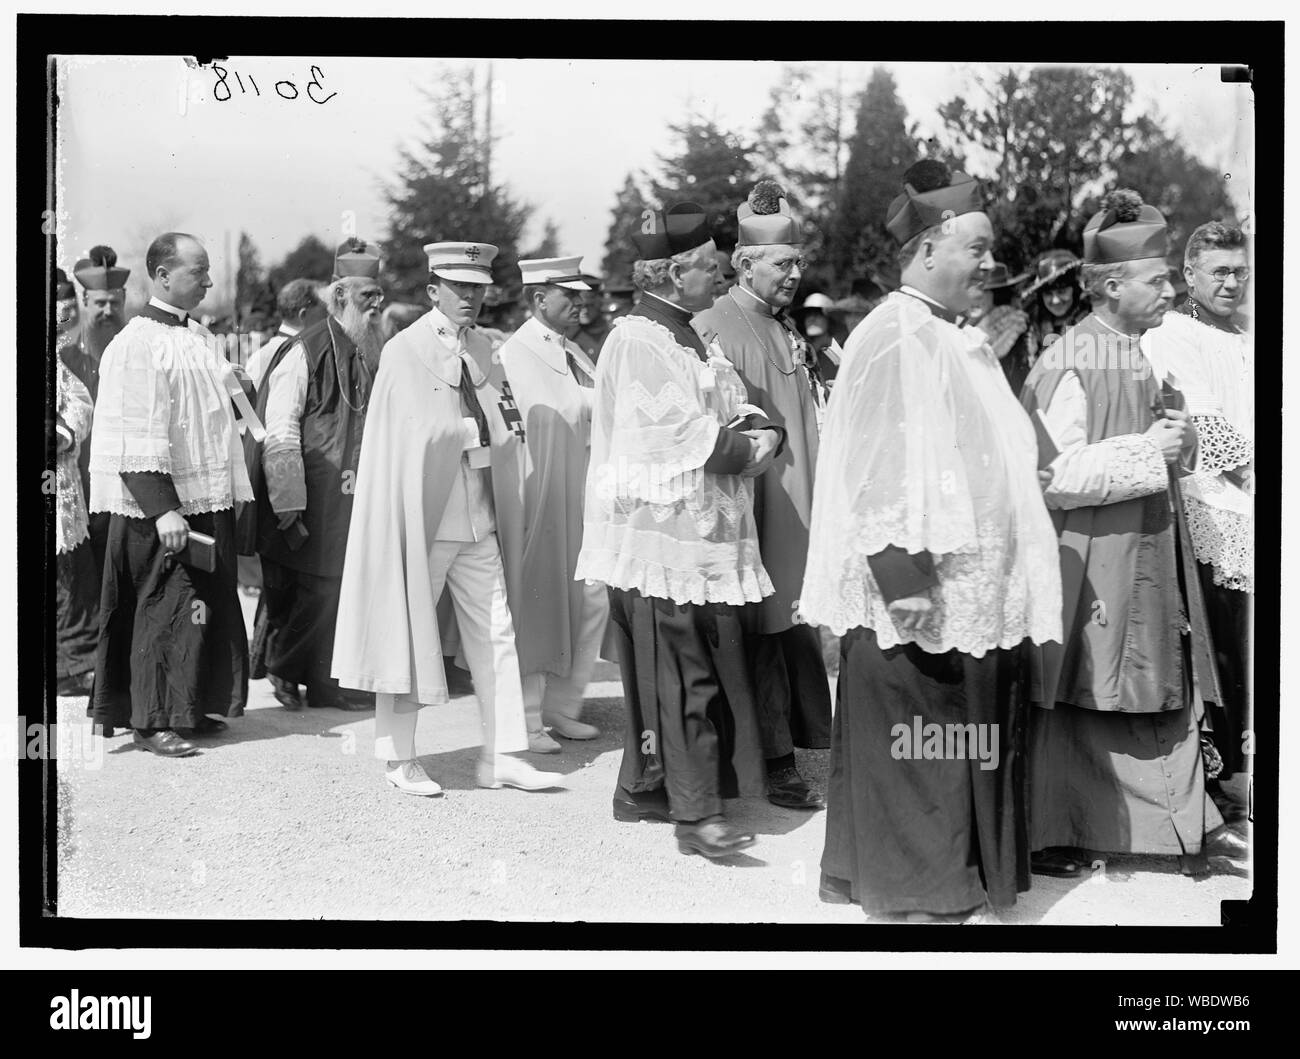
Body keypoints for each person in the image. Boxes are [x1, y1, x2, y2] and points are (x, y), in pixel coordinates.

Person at [800, 160, 1063, 920]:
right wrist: (906, 589)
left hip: (968, 589)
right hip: (920, 594)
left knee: (949, 744)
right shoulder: (894, 334)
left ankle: (952, 881)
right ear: (925, 251)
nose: (991, 263)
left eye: (990, 249)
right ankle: (919, 900)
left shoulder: (952, 335)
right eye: (976, 248)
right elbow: (875, 476)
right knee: (922, 746)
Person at [1021, 189, 1225, 877]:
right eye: (1159, 277)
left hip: (1143, 547)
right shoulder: (1068, 359)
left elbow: (1170, 439)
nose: (1171, 287)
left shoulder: (1140, 351)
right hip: (1091, 557)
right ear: (1112, 284)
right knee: (1089, 686)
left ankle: (1178, 826)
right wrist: (1148, 453)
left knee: (1146, 681)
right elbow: (1050, 473)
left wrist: (1182, 440)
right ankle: (1063, 825)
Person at [575, 202, 784, 857]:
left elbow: (737, 406)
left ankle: (644, 787)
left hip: (695, 532)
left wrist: (762, 429)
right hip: (659, 536)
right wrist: (752, 448)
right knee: (682, 671)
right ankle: (695, 818)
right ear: (672, 272)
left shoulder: (692, 333)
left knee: (675, 666)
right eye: (710, 266)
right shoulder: (639, 338)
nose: (720, 276)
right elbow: (680, 436)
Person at [331, 240, 562, 797]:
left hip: (476, 511)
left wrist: (498, 436)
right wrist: (466, 430)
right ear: (435, 290)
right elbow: (405, 434)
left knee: (497, 630)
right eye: (460, 288)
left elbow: (501, 415)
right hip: (426, 516)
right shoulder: (405, 349)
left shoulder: (484, 347)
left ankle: (504, 753)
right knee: (408, 630)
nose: (471, 298)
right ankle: (398, 755)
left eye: (479, 288)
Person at [692, 180, 831, 811]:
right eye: (784, 263)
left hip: (797, 503)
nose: (796, 274)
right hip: (753, 507)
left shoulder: (783, 328)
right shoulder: (712, 327)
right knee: (763, 629)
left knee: (790, 625)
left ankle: (792, 745)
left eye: (798, 262)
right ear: (745, 263)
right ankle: (770, 758)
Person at [88, 232, 253, 756]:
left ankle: (190, 707)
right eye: (197, 271)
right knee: (162, 607)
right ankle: (151, 719)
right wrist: (162, 510)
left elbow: (213, 414)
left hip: (204, 497)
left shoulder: (200, 338)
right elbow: (134, 431)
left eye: (208, 272)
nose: (208, 281)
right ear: (162, 276)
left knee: (201, 602)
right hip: (160, 507)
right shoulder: (137, 343)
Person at [245, 240, 384, 713]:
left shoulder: (368, 349)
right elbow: (280, 428)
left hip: (351, 496)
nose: (377, 304)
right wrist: (288, 503)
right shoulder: (305, 350)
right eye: (369, 295)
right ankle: (285, 669)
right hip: (310, 497)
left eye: (379, 295)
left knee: (340, 591)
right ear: (340, 295)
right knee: (317, 593)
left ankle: (325, 683)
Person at [1145, 220, 1253, 798]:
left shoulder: (1247, 334)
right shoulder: (1173, 331)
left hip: (1252, 508)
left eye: (1241, 271)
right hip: (1209, 505)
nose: (1233, 282)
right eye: (1220, 271)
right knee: (1226, 646)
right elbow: (1200, 419)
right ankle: (1225, 781)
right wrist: (1253, 474)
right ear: (1190, 274)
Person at [498, 256, 606, 751]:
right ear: (540, 299)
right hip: (541, 489)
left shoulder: (574, 352)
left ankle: (562, 707)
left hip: (582, 489)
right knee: (539, 599)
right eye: (570, 296)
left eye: (582, 295)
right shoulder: (516, 354)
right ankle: (526, 717)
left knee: (590, 599)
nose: (581, 304)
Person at [54, 355, 98, 696]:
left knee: (70, 577)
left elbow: (80, 400)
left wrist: (63, 433)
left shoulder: (58, 363)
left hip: (57, 479)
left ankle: (76, 666)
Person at [245, 279, 327, 388]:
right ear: (303, 314)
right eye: (323, 310)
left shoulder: (260, 357)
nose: (327, 317)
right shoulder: (262, 358)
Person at [1021, 249, 1089, 365]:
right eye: (1048, 294)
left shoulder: (1090, 321)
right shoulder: (1031, 326)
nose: (1055, 300)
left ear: (1075, 290)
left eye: (1062, 291)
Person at [569, 274, 611, 361]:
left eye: (589, 305)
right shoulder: (568, 334)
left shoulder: (611, 332)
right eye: (580, 306)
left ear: (599, 302)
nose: (585, 311)